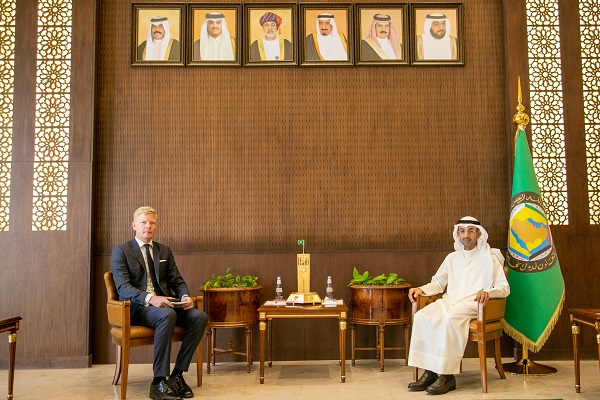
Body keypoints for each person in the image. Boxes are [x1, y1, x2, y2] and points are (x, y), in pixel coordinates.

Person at [112, 206, 208, 400]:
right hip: (137, 308)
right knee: (167, 315)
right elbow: (123, 288)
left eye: (152, 223)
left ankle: (177, 375)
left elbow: (177, 281)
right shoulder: (121, 251)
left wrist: (184, 296)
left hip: (165, 305)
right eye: (144, 222)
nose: (148, 226)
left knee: (199, 317)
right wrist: (151, 298)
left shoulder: (164, 250)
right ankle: (158, 382)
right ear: (134, 225)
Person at [407, 216, 509, 395]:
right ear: (457, 234)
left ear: (478, 233)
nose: (466, 235)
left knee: (450, 318)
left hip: (473, 303)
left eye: (470, 231)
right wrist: (420, 289)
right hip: (449, 300)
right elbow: (438, 283)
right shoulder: (452, 258)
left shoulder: (490, 258)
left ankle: (447, 376)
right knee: (422, 316)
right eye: (462, 231)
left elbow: (503, 288)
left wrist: (488, 292)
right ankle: (430, 371)